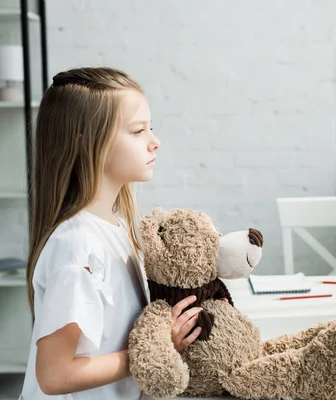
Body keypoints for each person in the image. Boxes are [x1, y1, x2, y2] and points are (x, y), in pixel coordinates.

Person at [19, 67, 202, 399]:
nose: (154, 142)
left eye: (151, 128)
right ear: (87, 142)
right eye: (137, 131)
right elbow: (54, 375)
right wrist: (156, 353)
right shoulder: (78, 246)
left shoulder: (117, 228)